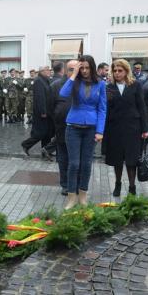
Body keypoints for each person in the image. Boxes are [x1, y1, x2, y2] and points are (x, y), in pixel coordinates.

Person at [59, 55, 107, 209]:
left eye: (87, 68)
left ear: (92, 68)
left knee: (86, 164)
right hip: (73, 127)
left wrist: (100, 131)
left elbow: (102, 108)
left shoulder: (100, 84)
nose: (85, 71)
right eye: (82, 68)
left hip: (91, 129)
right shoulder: (74, 82)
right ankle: (71, 197)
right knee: (74, 164)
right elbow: (63, 94)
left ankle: (83, 196)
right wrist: (74, 74)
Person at [103, 59, 148, 197]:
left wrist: (145, 129)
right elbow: (105, 110)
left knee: (131, 160)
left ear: (126, 71)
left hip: (133, 129)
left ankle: (132, 187)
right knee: (117, 159)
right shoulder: (109, 87)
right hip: (115, 129)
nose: (117, 73)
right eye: (115, 71)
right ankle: (117, 184)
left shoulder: (135, 85)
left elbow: (142, 107)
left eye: (120, 71)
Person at [53, 60, 77, 196]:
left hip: (80, 128)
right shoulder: (56, 86)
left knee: (77, 159)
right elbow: (51, 107)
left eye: (76, 69)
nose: (73, 72)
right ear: (65, 70)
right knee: (63, 158)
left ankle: (77, 184)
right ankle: (65, 184)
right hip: (62, 128)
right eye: (70, 69)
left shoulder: (83, 84)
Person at [21, 66, 54, 156]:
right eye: (47, 70)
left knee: (47, 133)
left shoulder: (45, 79)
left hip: (47, 111)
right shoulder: (38, 81)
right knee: (40, 133)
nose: (49, 71)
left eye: (49, 70)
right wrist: (43, 111)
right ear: (42, 71)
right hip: (41, 112)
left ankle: (46, 151)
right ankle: (26, 144)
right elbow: (40, 98)